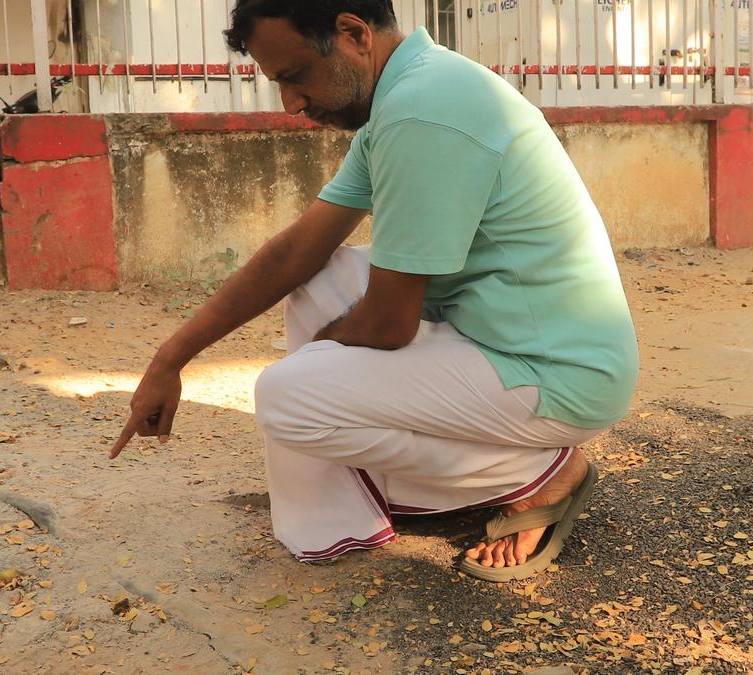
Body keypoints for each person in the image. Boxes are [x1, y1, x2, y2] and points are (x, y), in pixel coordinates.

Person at [108, 0, 638, 581]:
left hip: (553, 373)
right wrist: (172, 357)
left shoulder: (422, 110)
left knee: (286, 397)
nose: (290, 104)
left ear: (353, 33)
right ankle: (349, 498)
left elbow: (389, 325)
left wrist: (323, 355)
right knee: (322, 280)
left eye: (295, 75)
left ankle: (536, 474)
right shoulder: (412, 92)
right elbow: (294, 254)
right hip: (497, 337)